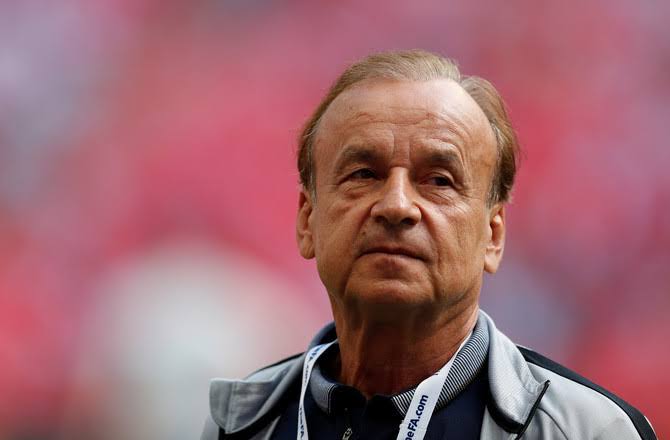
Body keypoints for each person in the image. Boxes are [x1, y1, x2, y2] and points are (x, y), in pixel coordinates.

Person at [200, 50, 656, 440]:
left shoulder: (588, 430)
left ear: (493, 235)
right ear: (307, 220)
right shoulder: (238, 425)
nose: (396, 205)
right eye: (364, 174)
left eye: (439, 181)